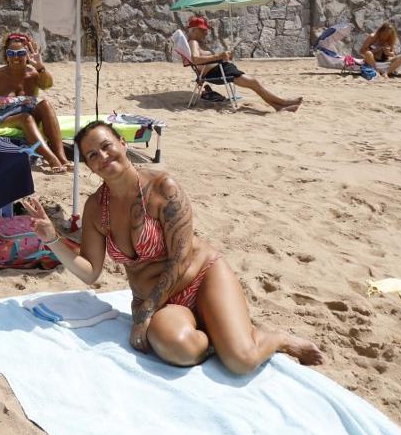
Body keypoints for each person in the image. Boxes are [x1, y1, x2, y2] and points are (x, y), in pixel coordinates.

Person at [24, 120, 323, 375]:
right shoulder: (95, 207)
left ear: (122, 143)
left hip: (201, 277)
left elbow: (179, 260)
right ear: (89, 166)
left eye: (106, 145)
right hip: (163, 301)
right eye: (92, 154)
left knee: (241, 361)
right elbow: (89, 273)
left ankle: (278, 339)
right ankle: (215, 329)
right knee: (178, 350)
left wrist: (145, 314)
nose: (102, 156)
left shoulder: (163, 188)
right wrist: (52, 239)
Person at [0, 32, 68, 171]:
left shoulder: (33, 74)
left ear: (27, 54)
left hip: (29, 115)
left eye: (20, 53)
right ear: (6, 55)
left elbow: (48, 84)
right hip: (4, 119)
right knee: (25, 118)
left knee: (45, 104)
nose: (15, 57)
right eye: (11, 53)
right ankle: (52, 159)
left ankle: (62, 157)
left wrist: (40, 66)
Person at [185, 16, 303, 112]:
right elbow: (195, 59)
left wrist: (223, 57)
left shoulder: (196, 43)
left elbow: (201, 60)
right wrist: (219, 56)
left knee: (254, 83)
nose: (206, 33)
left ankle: (279, 106)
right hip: (218, 72)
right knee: (254, 83)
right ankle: (283, 103)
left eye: (206, 30)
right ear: (193, 30)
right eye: (202, 30)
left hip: (221, 69)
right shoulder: (193, 42)